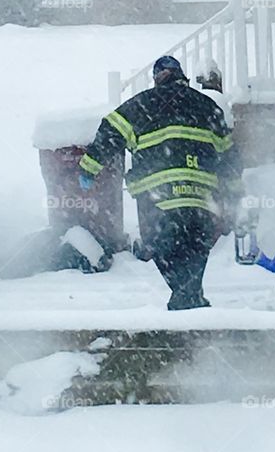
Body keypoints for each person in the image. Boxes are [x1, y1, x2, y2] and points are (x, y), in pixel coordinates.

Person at [78, 56, 238, 310]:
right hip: (199, 197)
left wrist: (89, 168)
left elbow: (110, 131)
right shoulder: (208, 107)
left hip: (158, 197)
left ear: (157, 78)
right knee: (196, 247)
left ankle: (184, 299)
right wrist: (235, 193)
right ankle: (190, 297)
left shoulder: (141, 105)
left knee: (163, 246)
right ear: (181, 76)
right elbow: (229, 156)